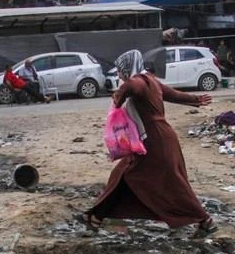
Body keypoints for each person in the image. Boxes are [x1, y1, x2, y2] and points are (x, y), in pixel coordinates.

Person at [77, 50, 218, 238]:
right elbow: (174, 94)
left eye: (120, 71)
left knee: (170, 184)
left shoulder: (140, 82)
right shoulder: (151, 81)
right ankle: (95, 217)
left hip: (155, 141)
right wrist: (195, 100)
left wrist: (119, 96)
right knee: (124, 174)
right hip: (159, 139)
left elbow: (132, 86)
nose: (119, 75)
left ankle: (205, 220)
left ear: (128, 68)